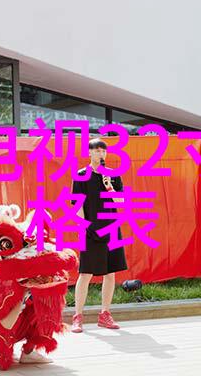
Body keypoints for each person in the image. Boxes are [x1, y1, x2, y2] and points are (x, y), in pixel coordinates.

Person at [70, 138, 128, 333]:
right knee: (85, 273)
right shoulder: (81, 175)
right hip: (90, 229)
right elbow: (77, 205)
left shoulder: (113, 175)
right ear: (89, 152)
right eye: (97, 150)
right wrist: (84, 226)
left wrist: (109, 187)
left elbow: (120, 202)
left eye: (103, 151)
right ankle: (78, 316)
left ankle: (105, 314)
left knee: (110, 273)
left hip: (111, 228)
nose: (101, 154)